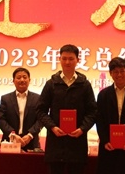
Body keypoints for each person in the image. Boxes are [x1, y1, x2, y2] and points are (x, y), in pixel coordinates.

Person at [37, 44, 98, 174]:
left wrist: (82, 129)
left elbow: (92, 111)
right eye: (64, 58)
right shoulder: (51, 84)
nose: (67, 62)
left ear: (77, 60)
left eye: (71, 59)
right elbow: (40, 110)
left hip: (77, 144)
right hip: (55, 144)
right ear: (59, 59)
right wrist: (52, 127)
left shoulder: (84, 85)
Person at [0, 67, 44, 151]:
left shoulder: (38, 98)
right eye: (18, 77)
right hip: (10, 142)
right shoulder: (5, 99)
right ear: (13, 81)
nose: (22, 80)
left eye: (25, 77)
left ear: (29, 80)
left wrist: (30, 135)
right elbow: (1, 120)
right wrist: (12, 134)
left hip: (31, 142)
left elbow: (41, 119)